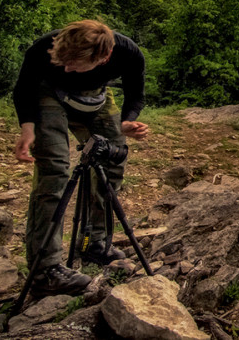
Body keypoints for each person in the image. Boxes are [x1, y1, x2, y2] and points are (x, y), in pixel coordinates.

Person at [12, 20, 149, 296]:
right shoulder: (45, 47)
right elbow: (23, 88)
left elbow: (136, 95)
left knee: (113, 157)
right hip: (48, 94)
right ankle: (46, 270)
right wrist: (28, 129)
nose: (65, 68)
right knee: (56, 169)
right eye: (62, 61)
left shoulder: (128, 53)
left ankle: (93, 242)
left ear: (103, 58)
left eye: (73, 64)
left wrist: (126, 123)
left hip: (95, 97)